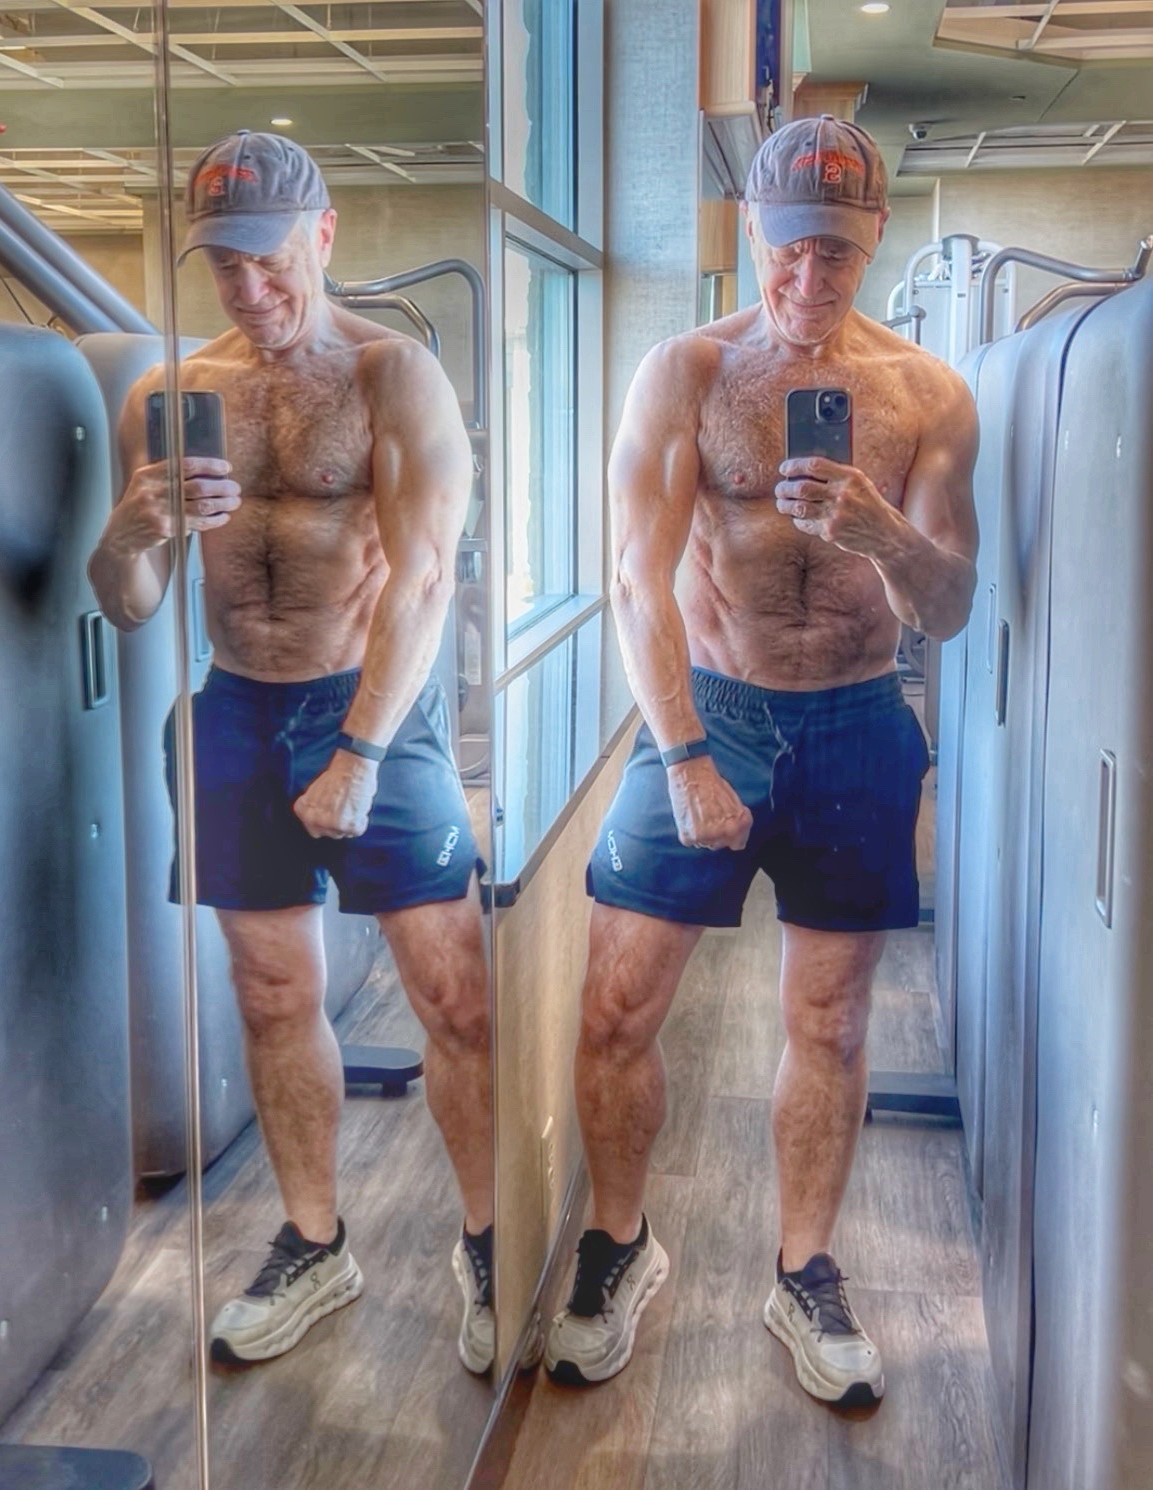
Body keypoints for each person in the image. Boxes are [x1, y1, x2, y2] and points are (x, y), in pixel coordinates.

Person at [543, 115, 979, 1405]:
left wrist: (883, 531)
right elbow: (636, 579)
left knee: (831, 1020)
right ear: (753, 230)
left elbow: (951, 605)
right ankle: (620, 1241)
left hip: (857, 714)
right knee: (617, 1006)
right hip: (709, 705)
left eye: (835, 251)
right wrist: (683, 753)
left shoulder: (928, 394)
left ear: (875, 238)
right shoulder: (686, 370)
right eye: (788, 247)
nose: (807, 277)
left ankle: (805, 1268)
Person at [88, 131, 497, 1372]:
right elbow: (131, 603)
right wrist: (131, 530)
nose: (250, 287)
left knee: (454, 996)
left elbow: (424, 580)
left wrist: (362, 749)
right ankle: (315, 1241)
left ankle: (491, 1235)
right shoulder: (166, 395)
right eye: (226, 265)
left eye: (269, 259)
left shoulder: (391, 375)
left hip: (372, 705)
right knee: (272, 994)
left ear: (322, 234)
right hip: (235, 706)